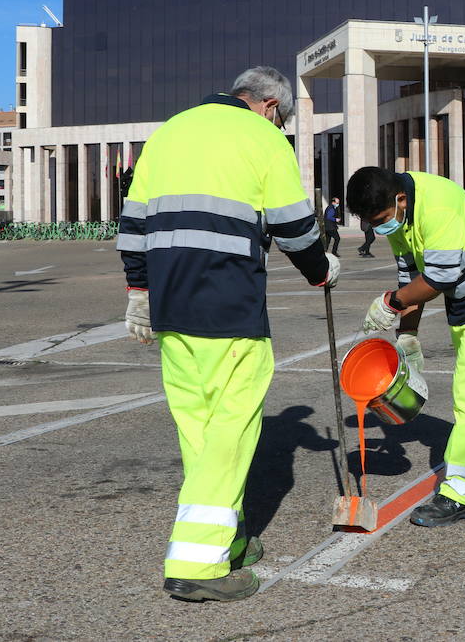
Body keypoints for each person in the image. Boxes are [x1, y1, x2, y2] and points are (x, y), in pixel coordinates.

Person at [117, 66, 338, 603]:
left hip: (169, 303)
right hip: (229, 302)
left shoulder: (171, 130)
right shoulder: (260, 136)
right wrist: (321, 268)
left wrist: (139, 292)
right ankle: (199, 563)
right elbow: (292, 222)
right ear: (268, 106)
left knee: (197, 427)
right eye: (281, 118)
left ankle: (231, 535)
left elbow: (133, 223)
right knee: (231, 430)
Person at [347, 166, 465, 528]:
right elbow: (412, 276)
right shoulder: (400, 213)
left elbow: (439, 278)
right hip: (464, 298)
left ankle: (461, 491)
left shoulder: (437, 206)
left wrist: (390, 304)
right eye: (370, 224)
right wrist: (408, 334)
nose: (378, 230)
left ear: (400, 200)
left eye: (380, 220)